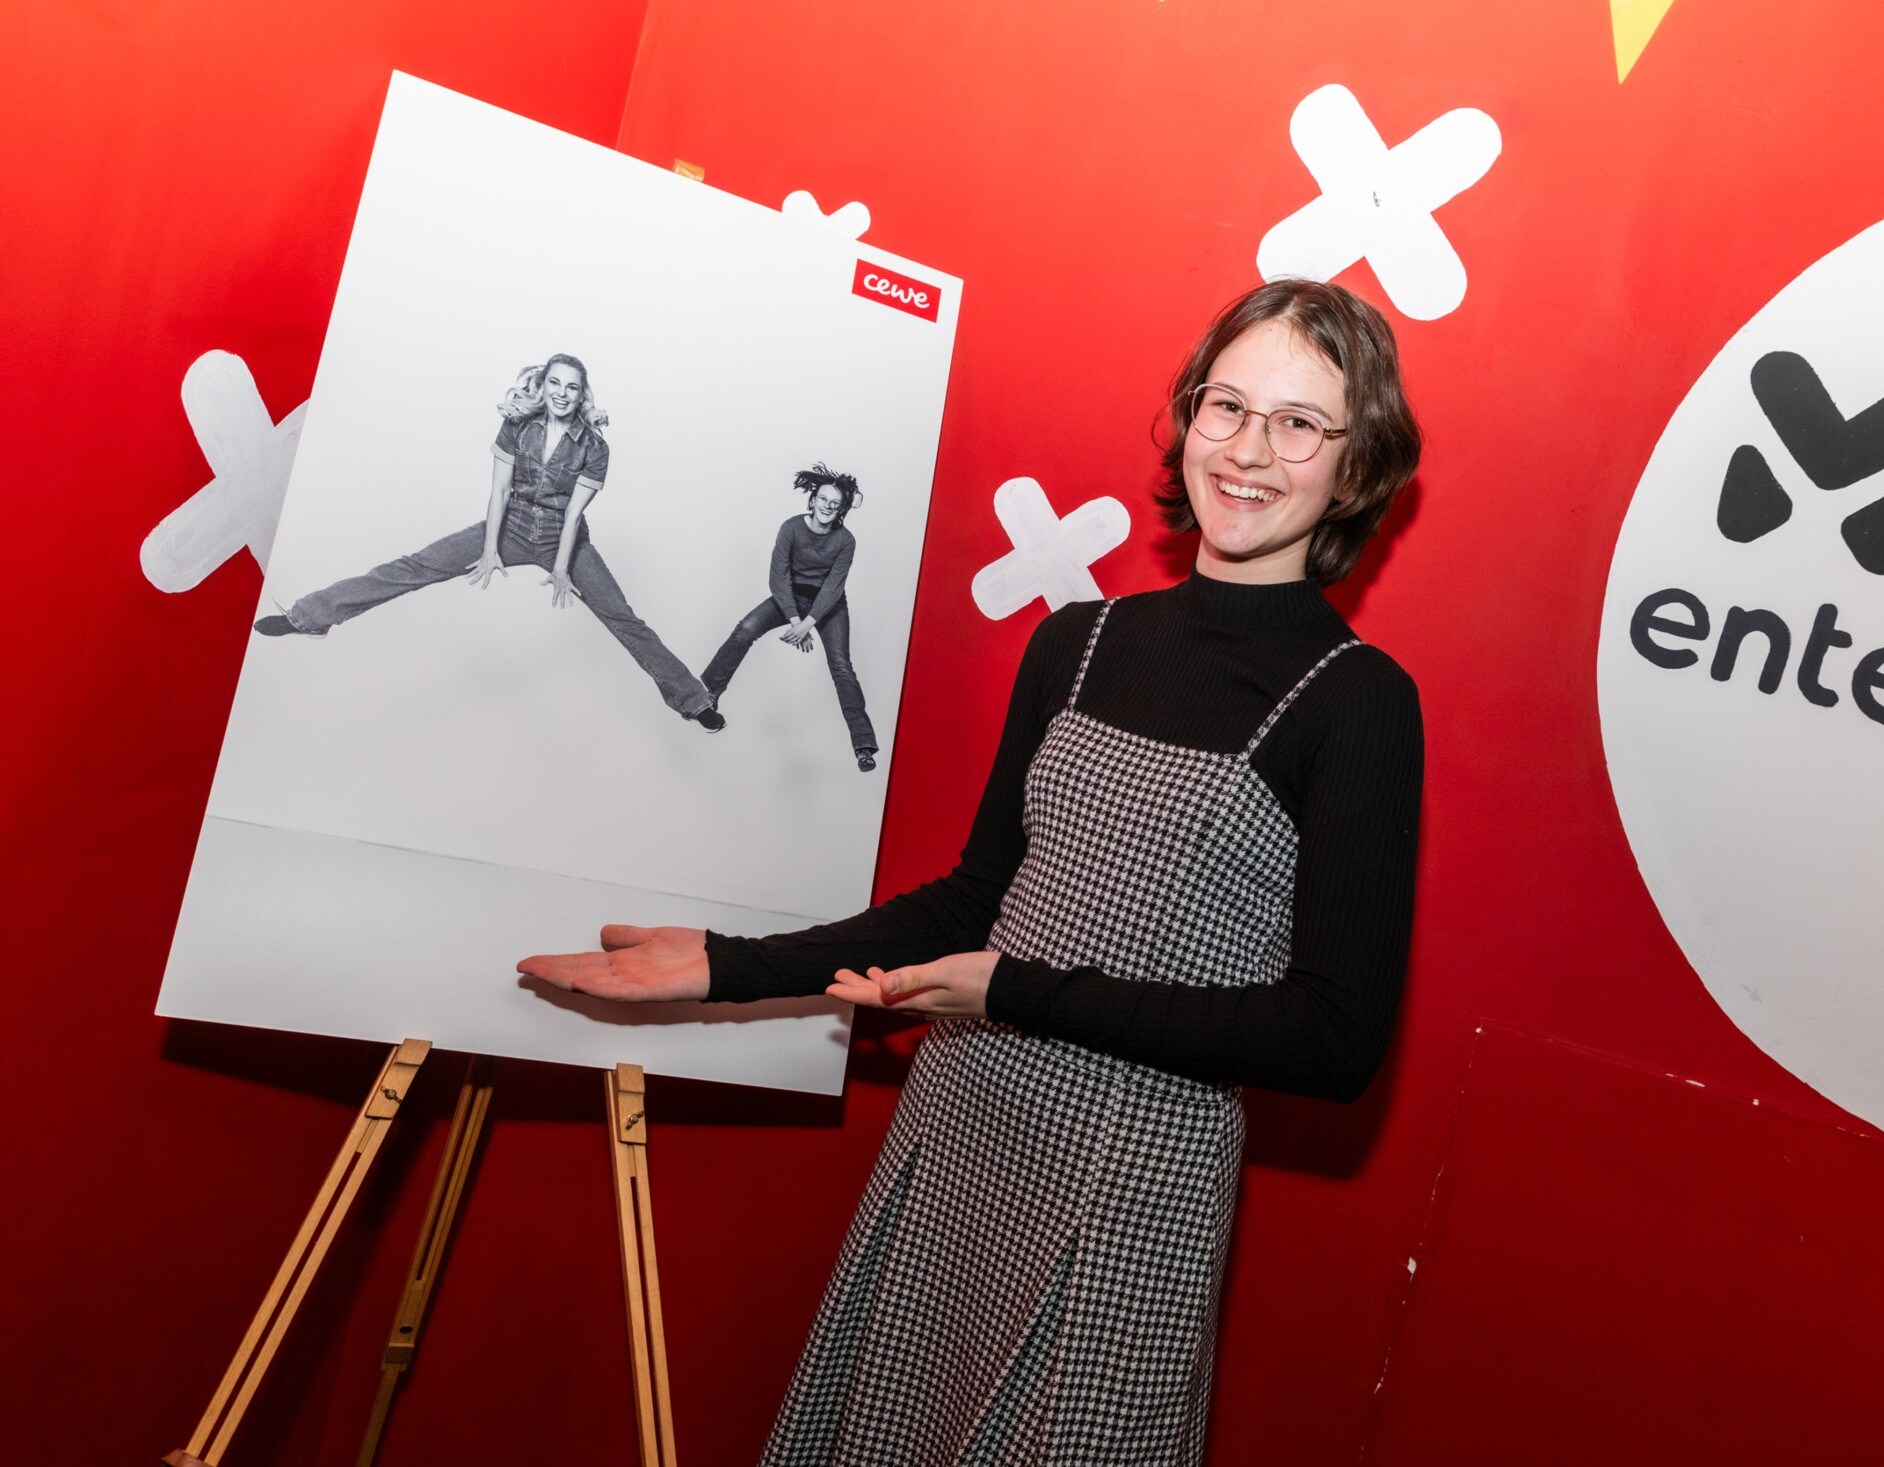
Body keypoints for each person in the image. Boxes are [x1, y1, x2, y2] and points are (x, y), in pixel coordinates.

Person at [520, 279, 1424, 1465]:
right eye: (1226, 407)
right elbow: (976, 895)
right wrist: (728, 967)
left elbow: (1333, 1038)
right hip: (965, 1126)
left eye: (1300, 423)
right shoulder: (1078, 641)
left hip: (1135, 1175)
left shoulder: (1357, 704)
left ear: (1355, 468)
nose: (1250, 451)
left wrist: (1011, 993)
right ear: (1187, 420)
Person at [255, 354, 722, 731]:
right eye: (555, 384)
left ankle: (692, 700)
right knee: (414, 566)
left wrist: (562, 568)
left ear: (582, 394)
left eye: (572, 387)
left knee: (623, 618)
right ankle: (310, 616)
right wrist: (489, 548)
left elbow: (576, 512)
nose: (562, 394)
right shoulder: (518, 427)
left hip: (564, 538)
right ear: (544, 387)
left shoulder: (594, 446)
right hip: (511, 525)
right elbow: (499, 491)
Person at [701, 464, 879, 770]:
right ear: (812, 500)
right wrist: (796, 620)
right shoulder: (790, 528)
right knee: (745, 629)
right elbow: (778, 578)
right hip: (791, 596)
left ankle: (863, 744)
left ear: (841, 510)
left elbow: (834, 587)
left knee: (842, 666)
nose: (827, 506)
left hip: (829, 603)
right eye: (823, 499)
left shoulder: (846, 541)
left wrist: (810, 622)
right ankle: (706, 696)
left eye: (835, 504)